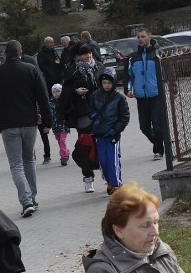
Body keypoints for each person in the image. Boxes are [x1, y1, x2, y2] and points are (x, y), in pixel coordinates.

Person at [0, 40, 52, 217]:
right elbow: (43, 98)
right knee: (29, 160)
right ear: (21, 53)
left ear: (5, 54)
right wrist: (47, 122)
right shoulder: (31, 69)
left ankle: (26, 200)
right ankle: (32, 198)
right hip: (29, 122)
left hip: (9, 124)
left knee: (16, 164)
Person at [63, 43, 104, 192]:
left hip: (101, 112)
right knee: (85, 146)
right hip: (83, 113)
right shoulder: (72, 71)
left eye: (90, 53)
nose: (88, 56)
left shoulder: (99, 66)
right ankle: (88, 177)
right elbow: (65, 91)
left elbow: (108, 84)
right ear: (77, 56)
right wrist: (75, 92)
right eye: (84, 53)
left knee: (103, 144)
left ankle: (109, 176)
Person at [127, 28, 166, 161]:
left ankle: (158, 150)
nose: (140, 39)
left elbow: (166, 73)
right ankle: (160, 142)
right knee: (144, 126)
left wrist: (173, 87)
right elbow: (129, 76)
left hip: (156, 94)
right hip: (141, 96)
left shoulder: (158, 54)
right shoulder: (133, 57)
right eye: (138, 37)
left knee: (157, 124)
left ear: (149, 37)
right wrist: (129, 89)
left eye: (143, 36)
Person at [90, 68, 130, 195]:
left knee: (112, 160)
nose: (107, 86)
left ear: (114, 83)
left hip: (112, 133)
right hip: (99, 133)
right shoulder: (95, 96)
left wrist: (115, 130)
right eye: (104, 83)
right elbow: (89, 111)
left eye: (109, 83)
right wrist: (94, 117)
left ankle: (117, 184)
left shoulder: (119, 98)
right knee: (103, 161)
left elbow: (125, 117)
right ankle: (109, 182)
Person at [48, 83, 70, 165]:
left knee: (62, 140)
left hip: (64, 125)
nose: (56, 93)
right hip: (55, 126)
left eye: (58, 91)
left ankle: (63, 157)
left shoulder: (65, 101)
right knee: (59, 141)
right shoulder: (50, 102)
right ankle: (66, 151)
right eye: (54, 92)